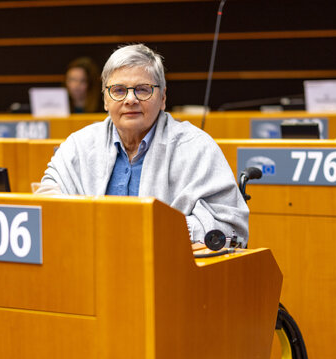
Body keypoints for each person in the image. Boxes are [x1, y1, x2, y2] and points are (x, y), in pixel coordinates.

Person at [36, 44, 248, 243]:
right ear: (105, 100)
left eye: (143, 89)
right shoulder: (78, 145)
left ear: (163, 97)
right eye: (118, 90)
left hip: (170, 273)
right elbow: (46, 201)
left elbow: (231, 230)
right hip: (90, 268)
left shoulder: (197, 147)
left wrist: (155, 227)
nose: (130, 99)